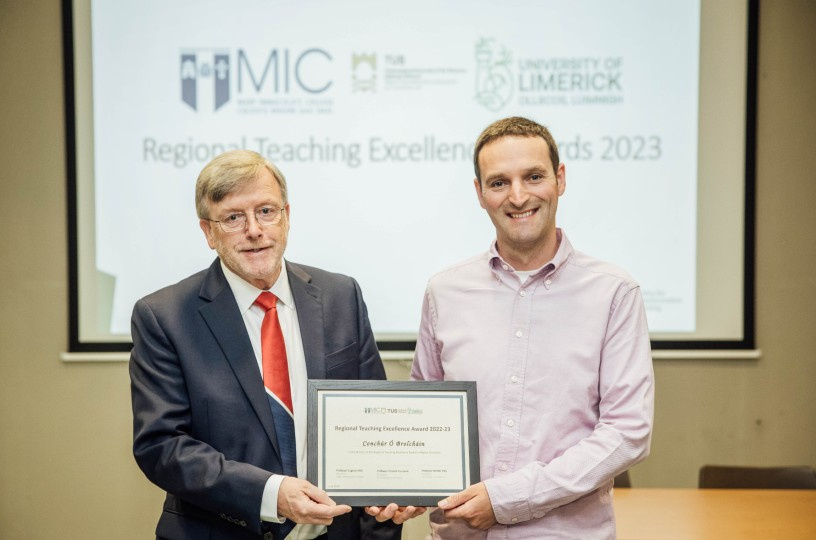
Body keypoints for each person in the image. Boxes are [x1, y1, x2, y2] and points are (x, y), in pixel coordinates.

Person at [130, 149, 418, 539]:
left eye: (266, 211)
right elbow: (162, 446)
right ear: (208, 232)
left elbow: (374, 421)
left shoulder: (340, 296)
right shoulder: (164, 316)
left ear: (286, 215)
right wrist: (270, 493)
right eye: (233, 218)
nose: (254, 229)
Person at [410, 117, 655, 539]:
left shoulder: (614, 293)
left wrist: (507, 499)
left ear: (560, 180)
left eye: (534, 176)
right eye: (499, 182)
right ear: (479, 193)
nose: (518, 196)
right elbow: (424, 419)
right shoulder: (443, 292)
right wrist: (401, 486)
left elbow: (627, 432)